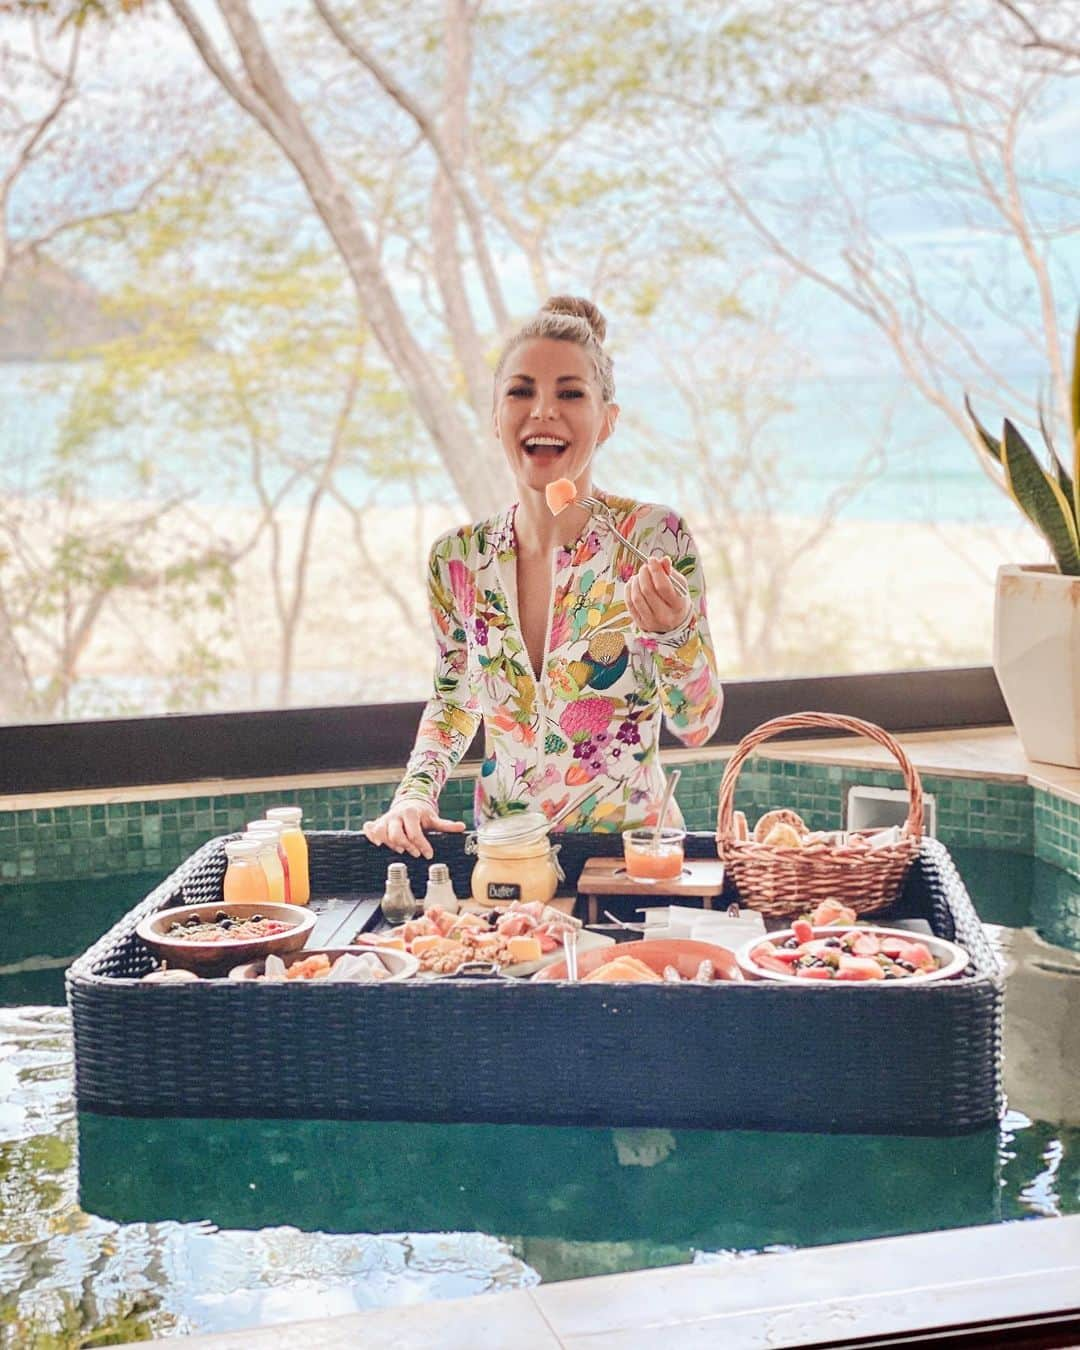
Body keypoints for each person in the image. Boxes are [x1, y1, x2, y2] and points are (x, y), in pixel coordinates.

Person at [363, 296, 723, 858]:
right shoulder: (458, 559)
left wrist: (676, 633)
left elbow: (697, 724)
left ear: (607, 422)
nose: (543, 411)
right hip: (506, 861)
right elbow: (455, 698)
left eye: (570, 394)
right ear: (496, 416)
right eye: (521, 391)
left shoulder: (653, 538)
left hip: (629, 864)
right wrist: (415, 794)